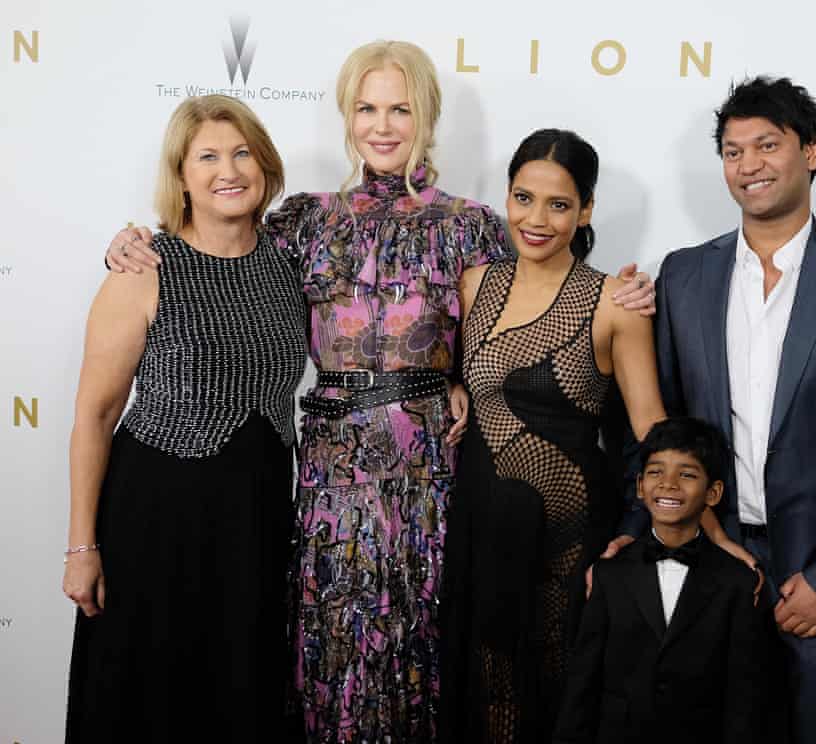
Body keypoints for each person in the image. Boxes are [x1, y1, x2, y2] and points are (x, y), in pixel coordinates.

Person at [102, 43, 654, 742]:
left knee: (421, 630)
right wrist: (131, 241)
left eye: (401, 108)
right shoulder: (304, 222)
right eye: (367, 108)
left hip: (429, 466)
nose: (384, 125)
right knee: (332, 633)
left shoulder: (471, 227)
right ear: (347, 116)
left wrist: (615, 294)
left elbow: (531, 300)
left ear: (428, 115)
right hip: (330, 467)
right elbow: (213, 246)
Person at [441, 128, 753, 743]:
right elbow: (466, 376)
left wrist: (712, 531)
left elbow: (651, 433)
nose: (536, 219)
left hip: (565, 536)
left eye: (558, 205)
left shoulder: (614, 301)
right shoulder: (474, 284)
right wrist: (453, 388)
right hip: (480, 522)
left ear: (585, 210)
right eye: (523, 198)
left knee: (557, 681)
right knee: (483, 675)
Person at [639, 76, 816, 743]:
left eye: (767, 145)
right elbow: (664, 431)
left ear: (811, 151)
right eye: (733, 152)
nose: (749, 165)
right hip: (713, 566)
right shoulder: (682, 274)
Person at [63, 95, 306, 742]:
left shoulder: (293, 257)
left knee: (241, 689)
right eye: (207, 156)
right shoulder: (144, 269)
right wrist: (82, 546)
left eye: (242, 152)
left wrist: (445, 382)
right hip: (156, 519)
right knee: (151, 697)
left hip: (257, 518)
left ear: (264, 165)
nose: (228, 170)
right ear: (181, 176)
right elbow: (95, 414)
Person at [553, 417, 769, 744]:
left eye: (686, 474)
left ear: (713, 492)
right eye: (656, 472)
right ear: (640, 486)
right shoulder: (609, 574)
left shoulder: (736, 582)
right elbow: (583, 683)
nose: (668, 484)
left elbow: (743, 698)